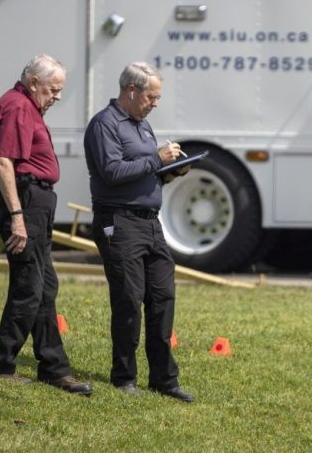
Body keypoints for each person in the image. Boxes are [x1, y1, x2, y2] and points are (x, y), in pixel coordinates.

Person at [0, 54, 92, 396]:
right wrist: (17, 217)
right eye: (53, 89)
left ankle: (54, 368)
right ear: (33, 83)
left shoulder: (24, 105)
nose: (57, 96)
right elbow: (3, 162)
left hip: (33, 202)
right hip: (24, 202)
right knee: (30, 286)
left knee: (44, 285)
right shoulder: (18, 107)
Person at [83, 62, 193, 401]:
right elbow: (113, 172)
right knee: (129, 299)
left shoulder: (143, 126)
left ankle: (164, 379)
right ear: (131, 90)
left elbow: (145, 172)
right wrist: (157, 161)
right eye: (151, 96)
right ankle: (124, 376)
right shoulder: (105, 125)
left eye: (157, 97)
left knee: (162, 296)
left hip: (150, 222)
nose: (155, 103)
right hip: (119, 221)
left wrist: (170, 172)